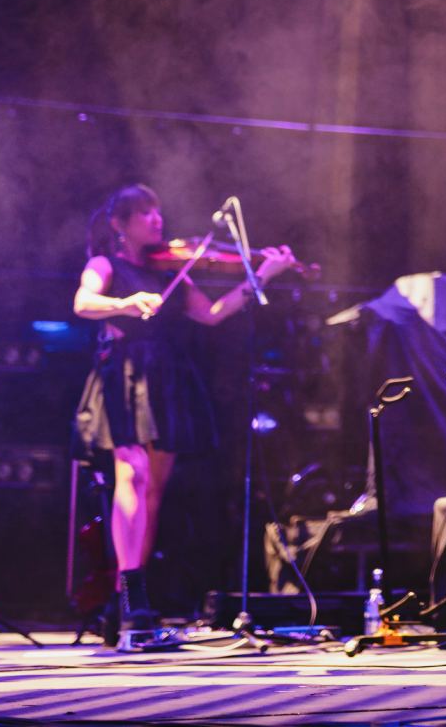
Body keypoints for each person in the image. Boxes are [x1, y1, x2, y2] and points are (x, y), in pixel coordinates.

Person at [73, 183, 296, 636]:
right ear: (120, 224)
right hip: (125, 372)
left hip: (166, 376)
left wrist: (264, 275)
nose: (157, 221)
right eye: (144, 214)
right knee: (130, 473)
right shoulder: (105, 264)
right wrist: (125, 303)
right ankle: (133, 592)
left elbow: (213, 313)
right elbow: (83, 302)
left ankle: (125, 599)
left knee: (153, 492)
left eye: (158, 213)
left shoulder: (170, 271)